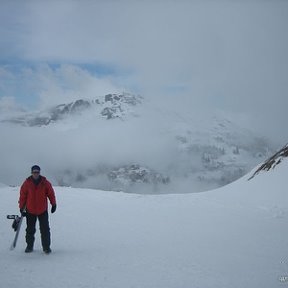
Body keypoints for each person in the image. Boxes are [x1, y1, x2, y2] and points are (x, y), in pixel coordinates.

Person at [18, 165, 57, 254]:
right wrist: (21, 208)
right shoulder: (27, 183)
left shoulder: (45, 183)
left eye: (37, 172)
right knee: (30, 230)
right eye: (34, 172)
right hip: (30, 210)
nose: (36, 174)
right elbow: (23, 196)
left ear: (39, 172)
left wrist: (53, 204)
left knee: (45, 230)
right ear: (31, 173)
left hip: (42, 210)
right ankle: (29, 246)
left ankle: (46, 247)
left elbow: (51, 194)